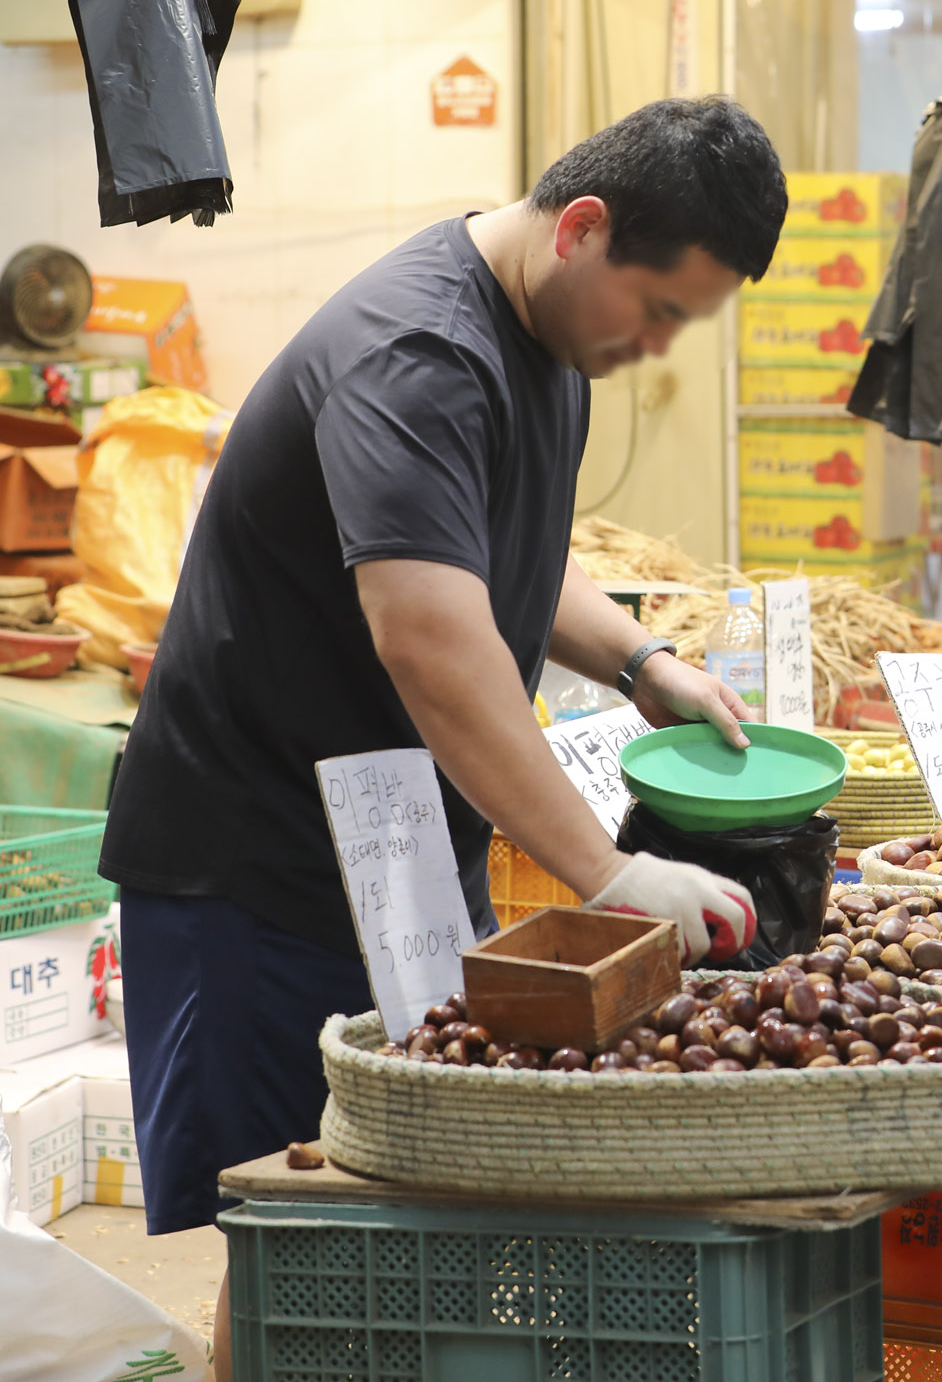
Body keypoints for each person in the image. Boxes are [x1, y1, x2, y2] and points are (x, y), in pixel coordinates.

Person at [97, 97, 789, 1379]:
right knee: (286, 1213)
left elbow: (491, 559)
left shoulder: (547, 338)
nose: (658, 347)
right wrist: (611, 875)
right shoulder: (417, 349)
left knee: (391, 1204)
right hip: (257, 864)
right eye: (662, 311)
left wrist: (640, 661)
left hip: (396, 851)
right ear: (583, 229)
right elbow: (430, 635)